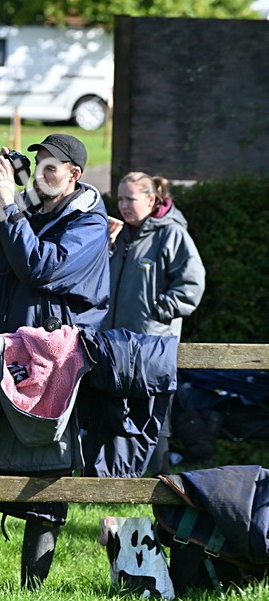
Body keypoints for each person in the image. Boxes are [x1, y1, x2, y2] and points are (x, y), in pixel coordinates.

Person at [0, 132, 110, 595]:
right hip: (1, 354)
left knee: (44, 474)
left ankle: (31, 594)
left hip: (50, 370)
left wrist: (7, 205)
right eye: (36, 166)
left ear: (74, 175)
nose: (40, 175)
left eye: (51, 169)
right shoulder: (27, 208)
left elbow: (37, 266)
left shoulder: (89, 225)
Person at [104, 172, 205, 473]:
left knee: (155, 419)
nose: (123, 205)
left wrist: (157, 312)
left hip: (153, 346)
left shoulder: (172, 234)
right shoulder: (117, 233)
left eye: (130, 199)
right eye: (119, 198)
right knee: (111, 414)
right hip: (113, 344)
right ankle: (110, 486)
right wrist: (107, 248)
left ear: (151, 200)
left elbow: (192, 285)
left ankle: (159, 489)